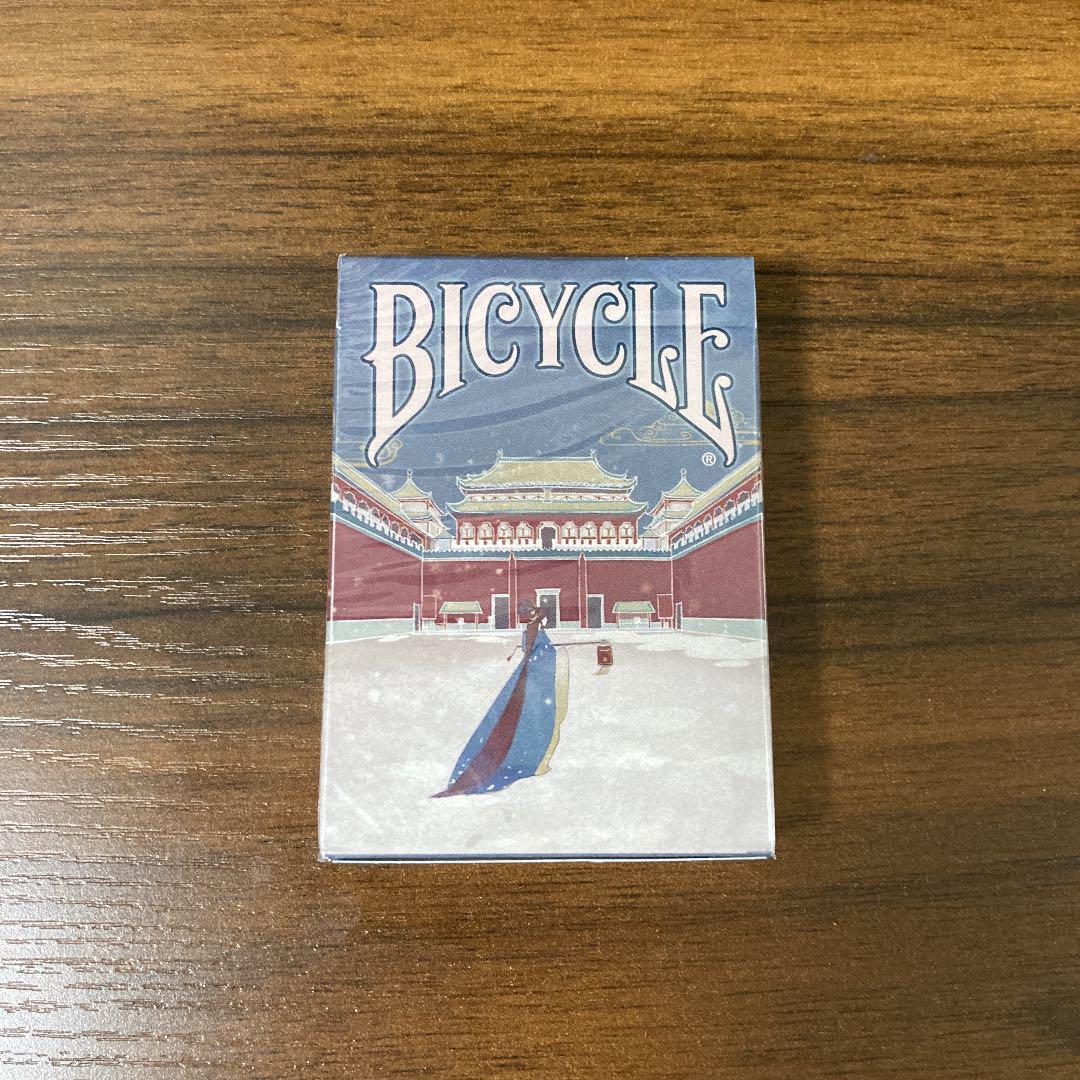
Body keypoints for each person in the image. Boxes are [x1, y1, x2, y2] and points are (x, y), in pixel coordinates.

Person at [432, 601, 566, 797]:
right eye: (527, 613)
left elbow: (531, 648)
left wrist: (536, 650)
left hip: (536, 669)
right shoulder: (533, 626)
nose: (528, 615)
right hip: (535, 669)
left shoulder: (534, 626)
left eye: (528, 612)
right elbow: (531, 648)